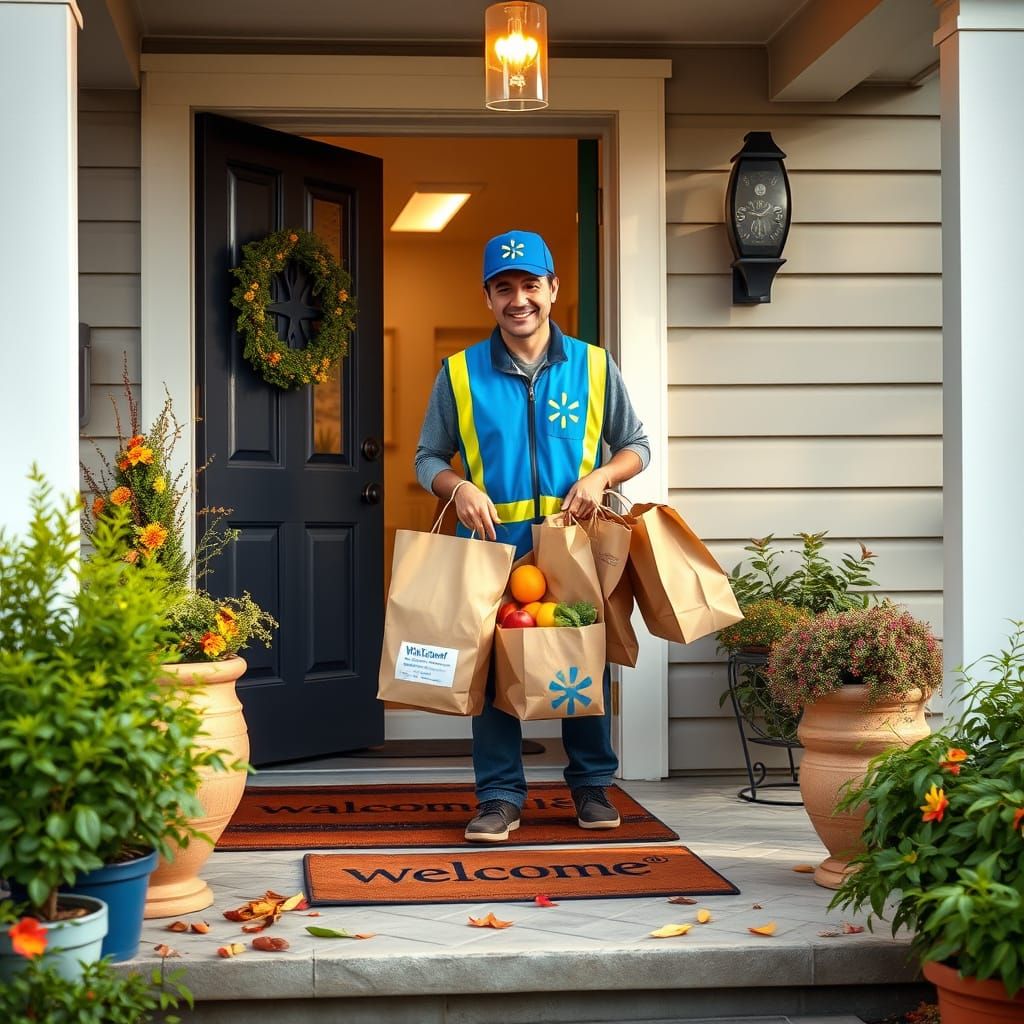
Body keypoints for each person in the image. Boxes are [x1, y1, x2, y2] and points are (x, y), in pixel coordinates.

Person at [414, 229, 649, 842]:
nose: (518, 299)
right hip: (495, 547)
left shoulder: (594, 366)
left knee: (580, 655)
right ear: (487, 297)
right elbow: (426, 458)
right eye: (504, 288)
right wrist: (457, 489)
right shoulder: (459, 373)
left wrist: (600, 475)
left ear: (553, 289)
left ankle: (592, 785)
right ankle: (498, 797)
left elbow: (636, 446)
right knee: (495, 670)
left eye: (530, 285)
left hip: (574, 544)